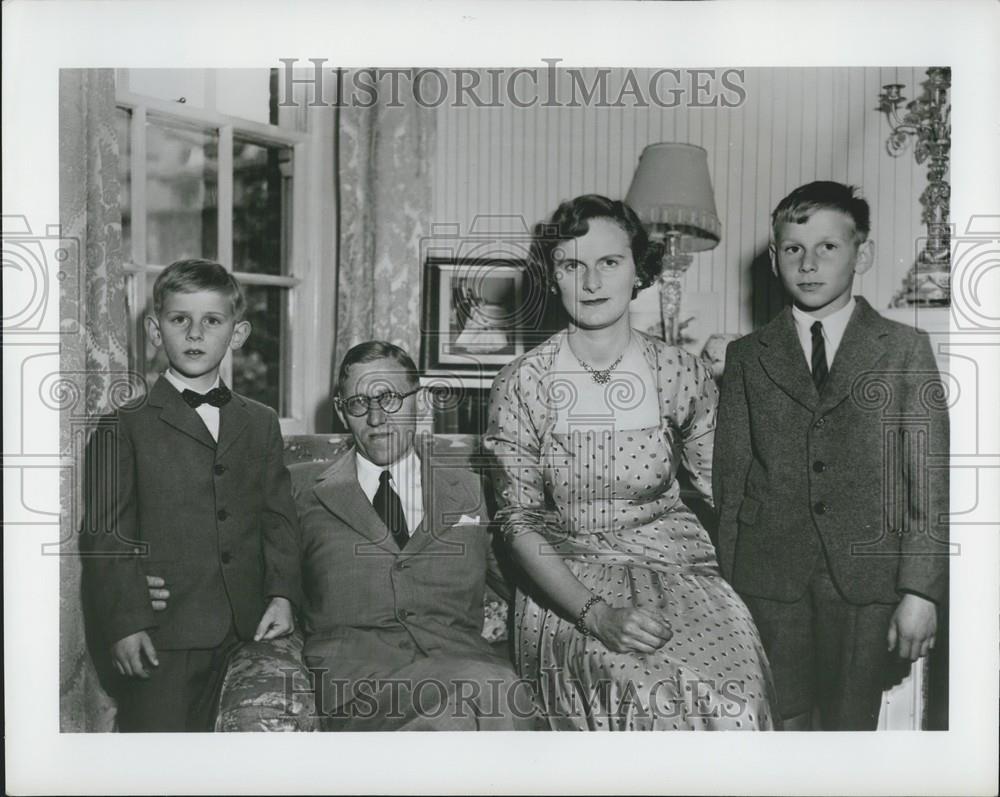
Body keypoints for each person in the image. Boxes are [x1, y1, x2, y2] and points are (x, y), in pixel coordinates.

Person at [484, 194, 776, 730]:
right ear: (552, 277)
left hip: (684, 569)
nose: (592, 282)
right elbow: (517, 523)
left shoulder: (678, 371)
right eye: (573, 265)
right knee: (646, 697)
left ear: (638, 270)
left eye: (609, 262)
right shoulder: (523, 383)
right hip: (568, 585)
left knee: (737, 702)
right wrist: (598, 616)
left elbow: (729, 494)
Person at [713, 181, 949, 730]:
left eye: (828, 247)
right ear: (774, 259)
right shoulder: (748, 356)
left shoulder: (904, 350)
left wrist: (920, 590)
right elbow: (731, 479)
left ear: (861, 254)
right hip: (768, 581)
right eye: (794, 248)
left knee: (850, 726)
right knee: (779, 722)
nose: (809, 263)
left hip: (869, 584)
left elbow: (927, 481)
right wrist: (728, 588)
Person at [82, 259, 302, 732]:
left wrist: (282, 594)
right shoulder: (123, 424)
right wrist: (126, 621)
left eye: (212, 321)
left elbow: (279, 518)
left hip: (246, 628)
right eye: (180, 320)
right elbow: (106, 537)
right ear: (155, 331)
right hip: (165, 635)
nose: (195, 334)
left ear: (237, 334)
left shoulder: (260, 422)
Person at [295, 341, 534, 730]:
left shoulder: (474, 493)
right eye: (358, 403)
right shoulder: (301, 491)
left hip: (460, 676)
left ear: (419, 402)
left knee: (452, 724)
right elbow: (247, 575)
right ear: (341, 412)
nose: (375, 417)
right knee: (496, 690)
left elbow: (527, 589)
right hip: (362, 691)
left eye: (388, 398)